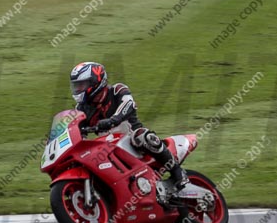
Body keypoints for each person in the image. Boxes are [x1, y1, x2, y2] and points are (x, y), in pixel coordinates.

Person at [70, 61, 188, 190]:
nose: (78, 89)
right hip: (107, 147)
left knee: (141, 136)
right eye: (76, 86)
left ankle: (177, 171)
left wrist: (113, 120)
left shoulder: (117, 90)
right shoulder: (82, 108)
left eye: (82, 85)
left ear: (95, 82)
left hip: (132, 141)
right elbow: (76, 128)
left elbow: (128, 104)